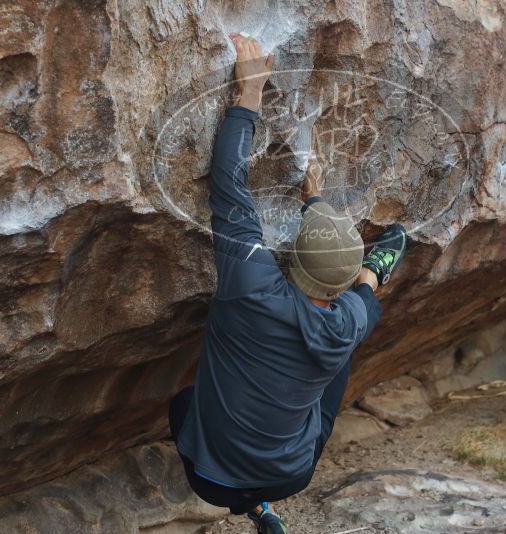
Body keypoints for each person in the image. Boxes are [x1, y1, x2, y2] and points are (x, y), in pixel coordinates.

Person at [168, 33, 407, 534]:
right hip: (290, 476)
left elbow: (229, 187)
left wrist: (249, 96)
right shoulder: (349, 320)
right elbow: (363, 291)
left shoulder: (252, 285)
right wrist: (323, 208)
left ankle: (248, 505)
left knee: (183, 404)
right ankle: (262, 508)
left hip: (212, 482)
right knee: (342, 352)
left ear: (293, 259)